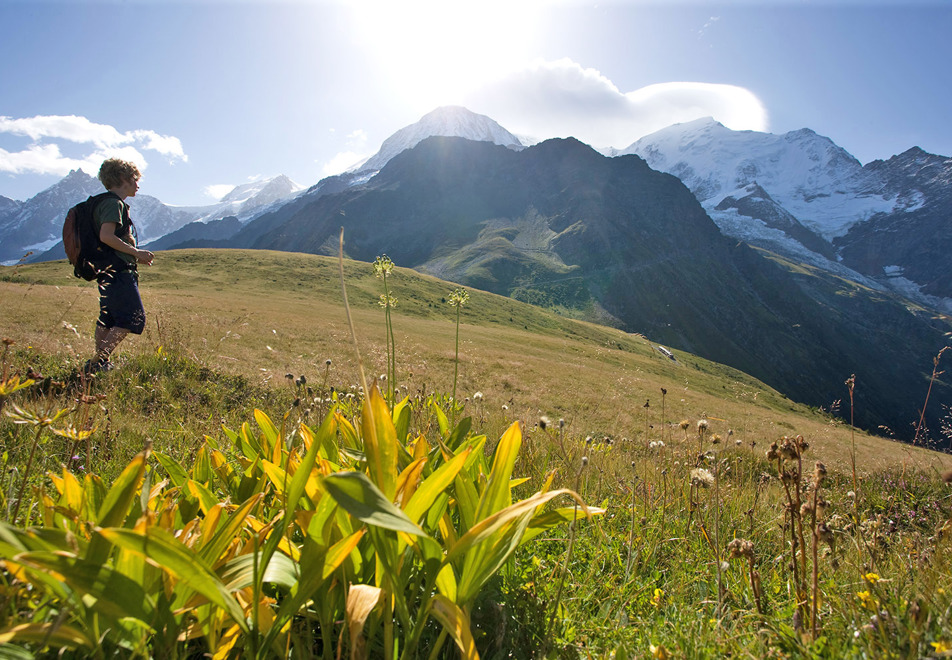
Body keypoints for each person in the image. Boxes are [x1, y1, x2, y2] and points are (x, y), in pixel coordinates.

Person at [83, 158, 154, 375]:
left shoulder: (99, 202)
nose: (137, 184)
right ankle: (97, 362)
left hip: (105, 268)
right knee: (134, 316)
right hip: (118, 270)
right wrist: (136, 253)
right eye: (134, 179)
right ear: (122, 179)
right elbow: (107, 236)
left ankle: (100, 365)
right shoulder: (114, 204)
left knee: (108, 317)